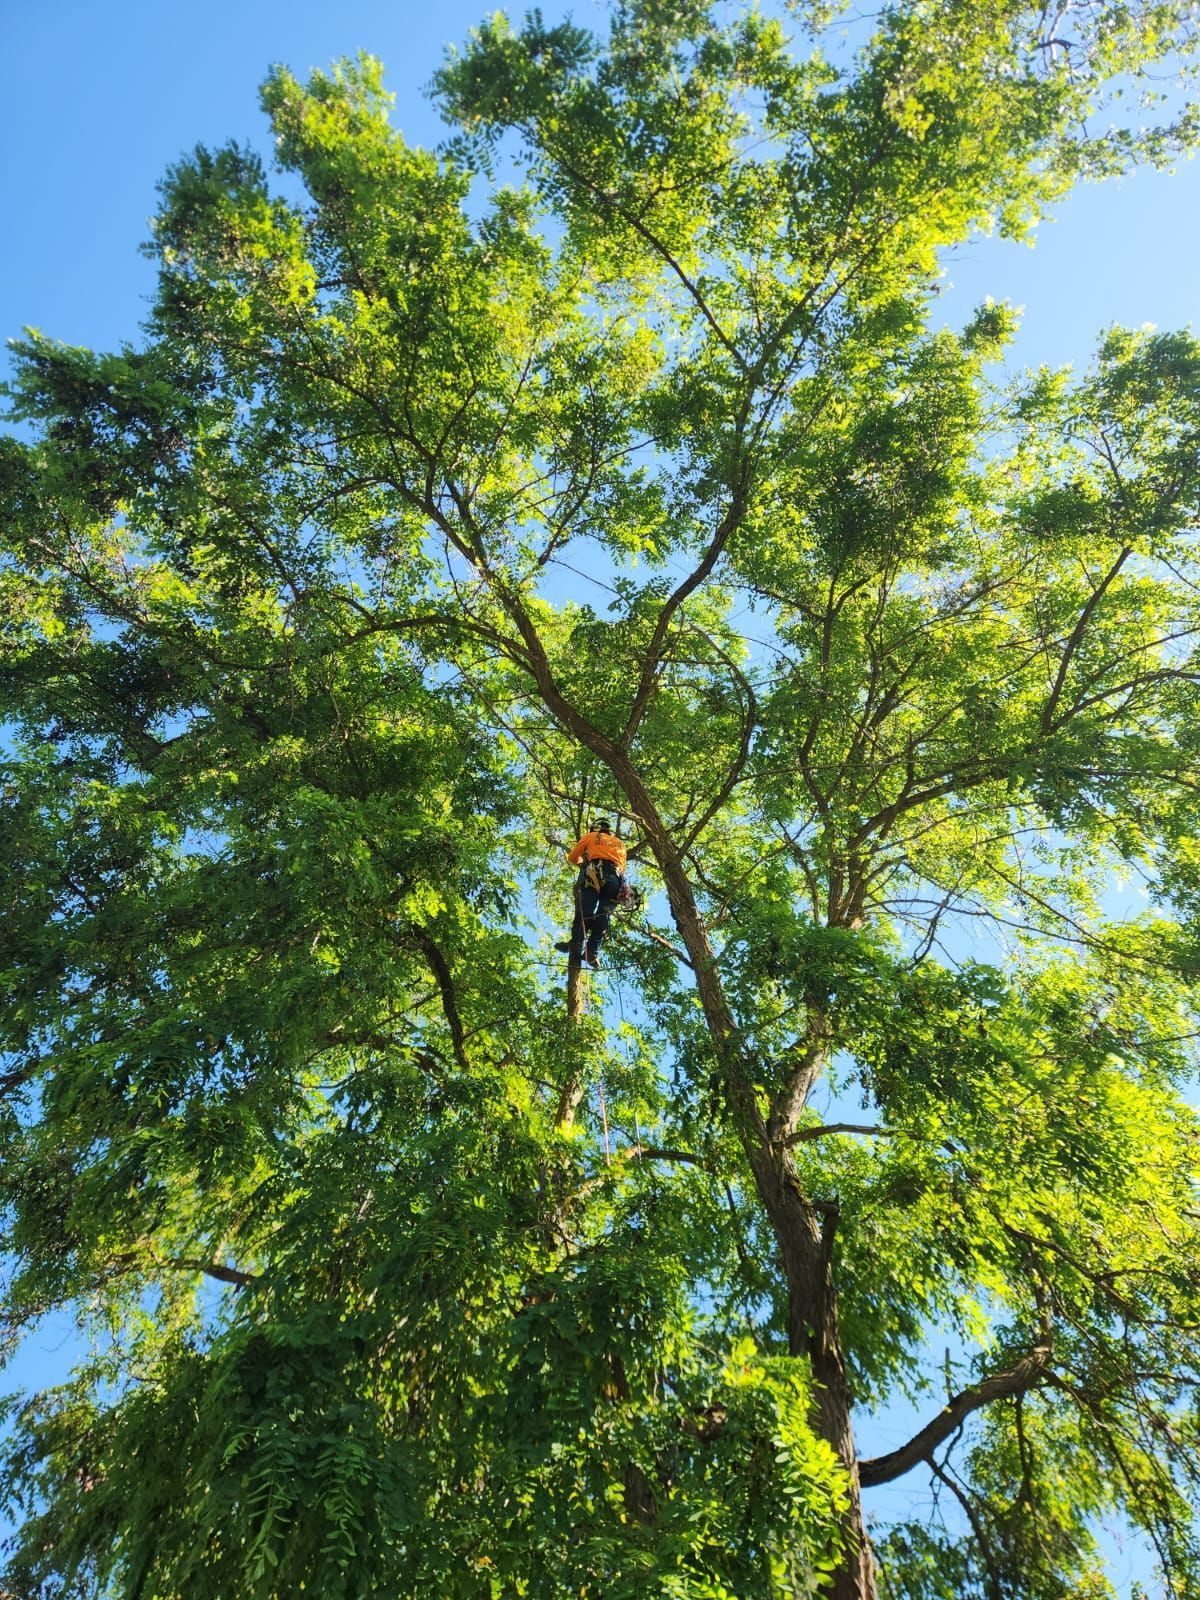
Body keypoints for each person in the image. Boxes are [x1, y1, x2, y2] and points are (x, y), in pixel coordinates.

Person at [555, 819, 627, 969]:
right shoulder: (619, 843)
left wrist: (583, 863)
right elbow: (622, 867)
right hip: (615, 879)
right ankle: (591, 951)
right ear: (609, 830)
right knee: (604, 914)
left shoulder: (592, 836)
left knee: (585, 910)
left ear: (596, 828)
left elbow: (573, 857)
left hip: (594, 873)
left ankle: (576, 943)